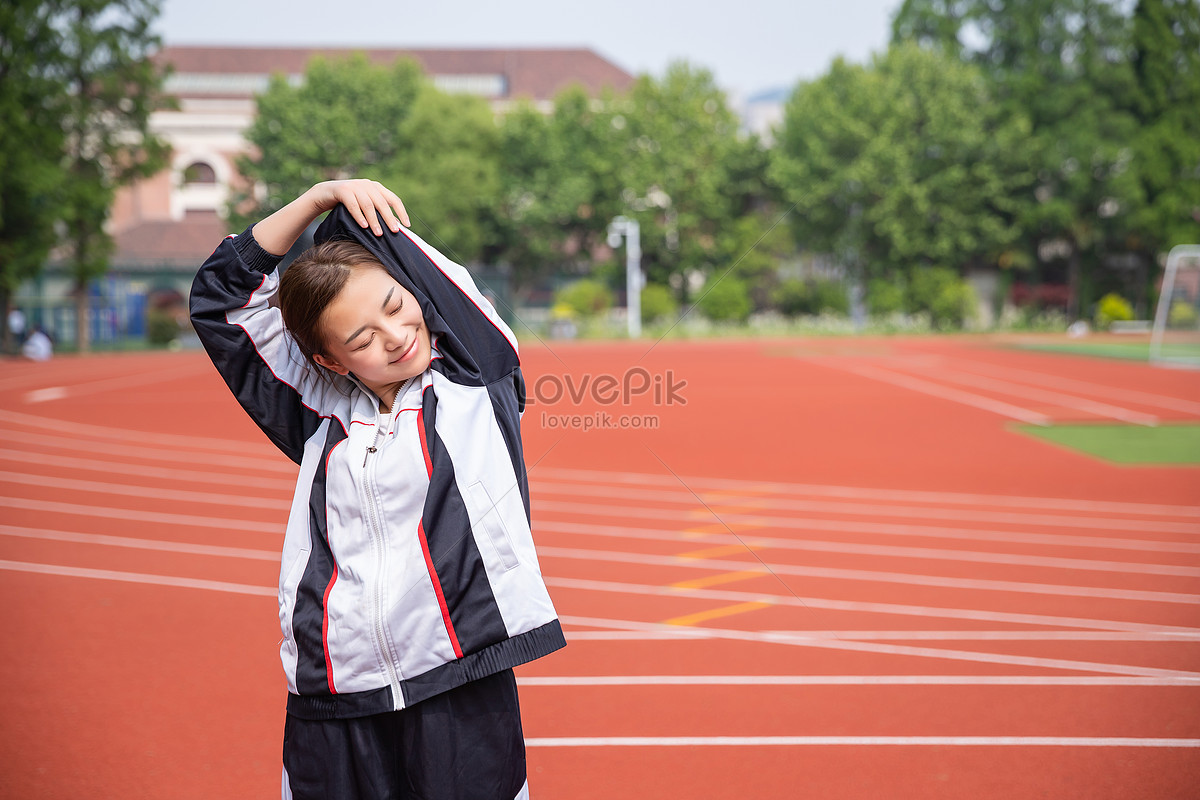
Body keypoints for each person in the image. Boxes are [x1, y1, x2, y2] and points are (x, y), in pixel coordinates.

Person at [190, 180, 564, 800]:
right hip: (333, 689)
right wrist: (314, 199)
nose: (393, 336)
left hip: (457, 679)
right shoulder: (314, 413)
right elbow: (221, 299)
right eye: (361, 339)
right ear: (332, 362)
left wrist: (350, 210)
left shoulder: (475, 380)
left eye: (395, 304)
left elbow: (430, 278)